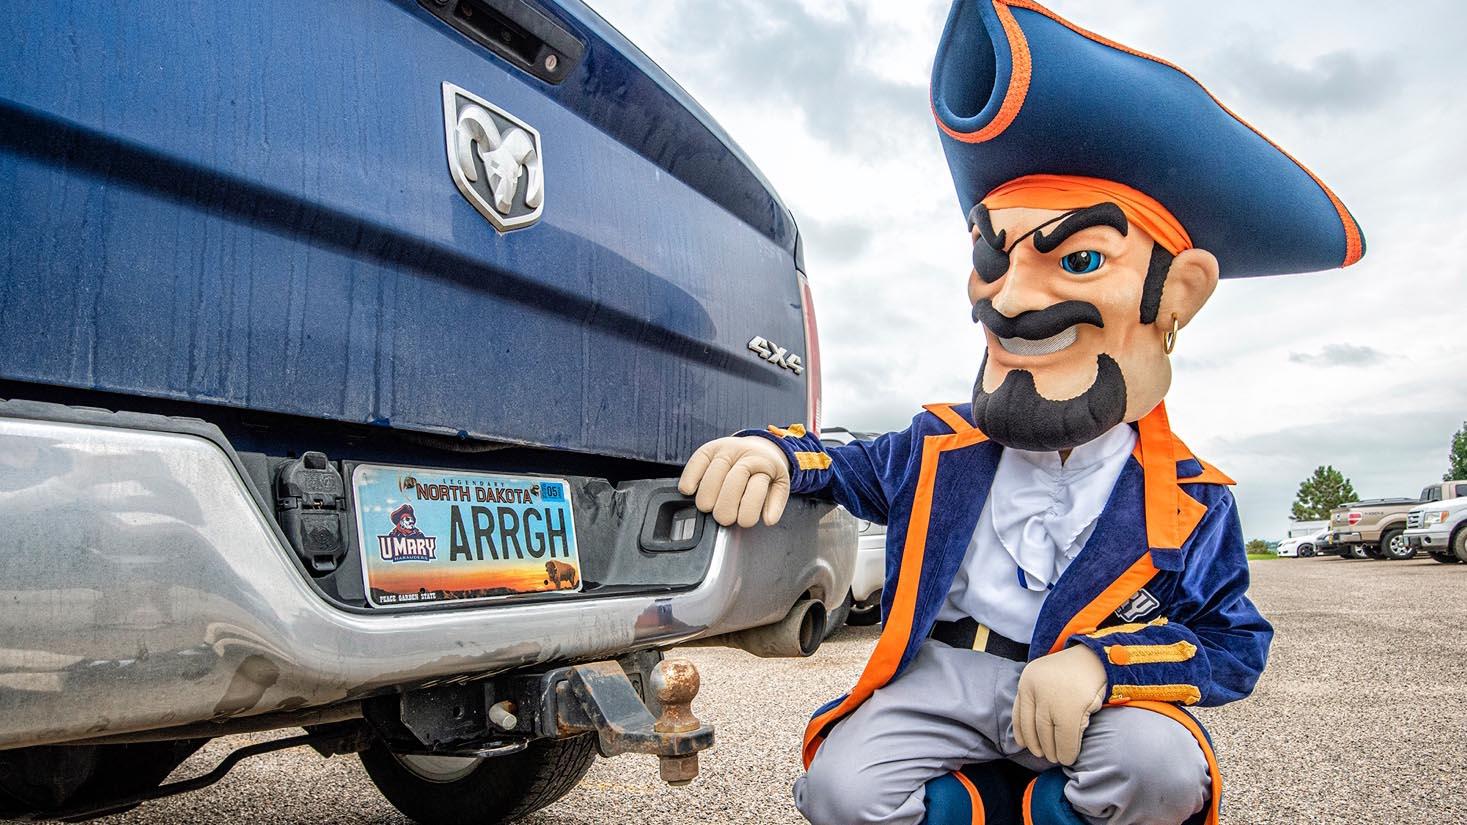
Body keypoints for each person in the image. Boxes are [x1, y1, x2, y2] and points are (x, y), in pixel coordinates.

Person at [677, 1, 1365, 823]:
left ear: (1176, 294)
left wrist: (1103, 666)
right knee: (840, 792)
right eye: (991, 258)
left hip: (1086, 698)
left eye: (1076, 258)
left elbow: (1232, 641)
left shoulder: (1191, 495)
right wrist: (774, 452)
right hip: (945, 675)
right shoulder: (942, 442)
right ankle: (974, 806)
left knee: (1159, 773)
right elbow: (845, 462)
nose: (1008, 299)